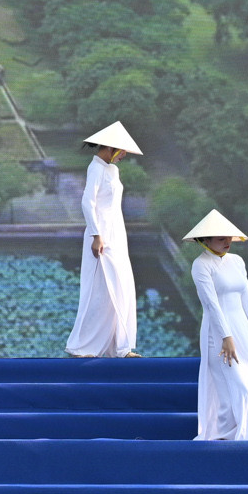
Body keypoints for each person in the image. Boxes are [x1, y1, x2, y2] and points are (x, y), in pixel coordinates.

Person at [186, 209, 248, 441]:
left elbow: (246, 297)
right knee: (236, 383)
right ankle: (229, 433)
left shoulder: (237, 261)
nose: (227, 242)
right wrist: (226, 337)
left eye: (229, 237)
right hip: (217, 332)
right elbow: (211, 304)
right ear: (204, 240)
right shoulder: (201, 265)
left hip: (242, 330)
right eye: (221, 238)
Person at [65, 121, 141, 358]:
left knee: (121, 286)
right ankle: (83, 346)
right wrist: (96, 235)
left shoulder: (112, 170)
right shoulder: (96, 168)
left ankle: (120, 347)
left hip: (116, 233)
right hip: (101, 235)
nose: (124, 155)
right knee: (100, 289)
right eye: (122, 150)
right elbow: (88, 202)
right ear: (110, 148)